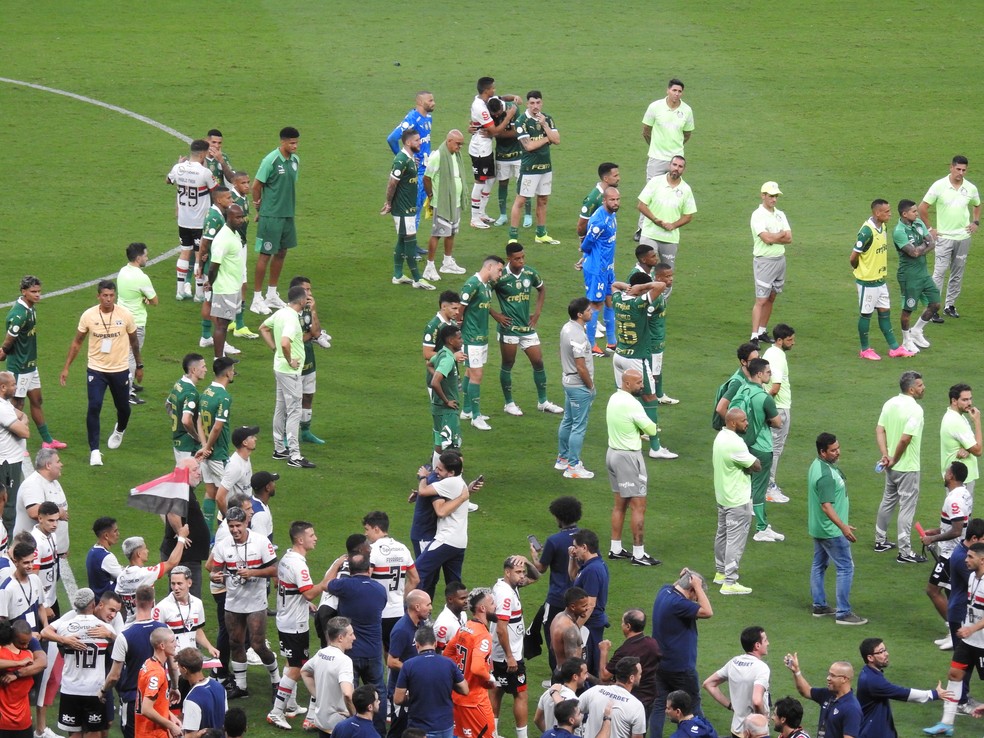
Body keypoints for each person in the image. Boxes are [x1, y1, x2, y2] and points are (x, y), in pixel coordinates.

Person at [60, 280, 141, 466]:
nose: (108, 299)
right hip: (96, 369)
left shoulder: (125, 315)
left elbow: (134, 341)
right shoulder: (88, 316)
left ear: (115, 296)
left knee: (124, 409)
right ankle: (94, 451)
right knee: (94, 406)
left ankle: (120, 429)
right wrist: (66, 367)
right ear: (98, 296)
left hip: (120, 369)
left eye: (112, 295)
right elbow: (77, 342)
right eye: (105, 295)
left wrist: (140, 365)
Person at [206, 505, 279, 699]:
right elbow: (214, 570)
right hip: (233, 601)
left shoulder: (261, 542)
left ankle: (277, 681)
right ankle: (241, 686)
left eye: (238, 525)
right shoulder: (223, 545)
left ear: (246, 522)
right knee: (235, 642)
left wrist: (253, 572)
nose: (235, 530)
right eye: (231, 526)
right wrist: (216, 577)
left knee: (257, 644)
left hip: (256, 601)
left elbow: (275, 570)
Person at [268, 521, 333, 729]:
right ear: (300, 539)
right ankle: (276, 711)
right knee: (297, 668)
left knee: (291, 662)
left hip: (286, 618)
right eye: (312, 535)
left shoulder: (286, 558)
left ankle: (292, 705)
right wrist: (325, 582)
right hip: (295, 624)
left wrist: (306, 603)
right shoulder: (298, 564)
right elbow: (309, 591)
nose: (316, 538)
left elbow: (287, 587)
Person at [611, 274, 675, 460]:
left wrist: (631, 286)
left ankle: (630, 433)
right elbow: (660, 285)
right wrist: (642, 287)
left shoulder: (619, 300)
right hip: (637, 359)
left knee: (626, 397)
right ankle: (655, 447)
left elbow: (615, 285)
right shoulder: (638, 304)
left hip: (619, 356)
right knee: (650, 400)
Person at [494, 243, 562, 417]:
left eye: (523, 257)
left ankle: (543, 401)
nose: (521, 261)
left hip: (527, 328)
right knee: (508, 364)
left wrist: (537, 312)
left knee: (538, 362)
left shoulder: (530, 273)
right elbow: (482, 294)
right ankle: (509, 403)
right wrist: (496, 315)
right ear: (509, 258)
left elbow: (541, 289)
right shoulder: (500, 277)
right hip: (508, 328)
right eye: (517, 258)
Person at [1, 275, 66, 451]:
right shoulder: (19, 314)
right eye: (33, 292)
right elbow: (9, 340)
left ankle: (47, 440)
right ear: (24, 292)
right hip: (20, 368)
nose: (38, 295)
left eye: (39, 291)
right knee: (17, 405)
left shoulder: (30, 308)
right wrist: (4, 352)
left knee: (37, 400)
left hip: (31, 365)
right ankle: (13, 443)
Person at [605, 369, 663, 567]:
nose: (642, 385)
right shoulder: (633, 404)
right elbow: (652, 429)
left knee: (619, 505)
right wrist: (648, 429)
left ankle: (615, 548)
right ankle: (639, 554)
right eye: (638, 382)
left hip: (612, 453)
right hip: (628, 457)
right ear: (627, 384)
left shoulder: (613, 398)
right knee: (638, 506)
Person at [326, 553, 388, 737]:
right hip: (374, 651)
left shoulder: (344, 585)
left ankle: (352, 728)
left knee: (350, 694)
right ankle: (379, 732)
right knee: (379, 693)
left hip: (350, 652)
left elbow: (326, 583)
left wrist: (337, 564)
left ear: (350, 571)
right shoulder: (379, 589)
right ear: (370, 569)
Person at [43, 588, 116, 738]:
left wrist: (64, 640)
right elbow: (124, 646)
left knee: (74, 733)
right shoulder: (105, 628)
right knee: (93, 732)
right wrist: (110, 635)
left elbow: (45, 632)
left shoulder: (65, 627)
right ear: (93, 604)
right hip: (95, 689)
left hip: (71, 688)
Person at [808, 432, 865, 625]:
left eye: (838, 448)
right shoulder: (825, 475)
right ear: (823, 452)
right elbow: (826, 505)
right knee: (846, 567)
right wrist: (842, 527)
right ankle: (843, 613)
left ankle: (820, 606)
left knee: (819, 565)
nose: (838, 452)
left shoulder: (818, 465)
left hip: (819, 527)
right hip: (831, 530)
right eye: (833, 450)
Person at [650, 568, 713, 738]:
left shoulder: (664, 591)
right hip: (680, 667)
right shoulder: (679, 604)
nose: (695, 598)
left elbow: (677, 586)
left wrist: (686, 577)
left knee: (659, 705)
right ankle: (704, 735)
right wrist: (698, 586)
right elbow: (708, 612)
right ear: (691, 589)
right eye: (695, 594)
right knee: (693, 704)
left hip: (660, 664)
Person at [102, 585, 170, 738]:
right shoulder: (164, 630)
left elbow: (114, 676)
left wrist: (103, 691)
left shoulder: (125, 636)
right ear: (153, 602)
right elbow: (173, 665)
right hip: (158, 699)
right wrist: (175, 687)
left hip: (134, 700)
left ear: (134, 601)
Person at [259, 284, 316, 468]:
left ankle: (279, 449)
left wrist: (274, 350)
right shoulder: (291, 318)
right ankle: (295, 455)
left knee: (281, 407)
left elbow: (263, 328)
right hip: (289, 371)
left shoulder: (282, 312)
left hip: (279, 367)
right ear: (301, 300)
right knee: (294, 411)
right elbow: (285, 342)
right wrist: (290, 359)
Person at [918, 155, 981, 320]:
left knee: (957, 272)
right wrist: (930, 228)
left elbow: (977, 204)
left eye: (964, 170)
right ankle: (933, 308)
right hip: (944, 238)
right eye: (958, 169)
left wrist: (976, 222)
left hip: (963, 237)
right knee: (939, 273)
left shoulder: (970, 188)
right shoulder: (939, 186)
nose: (961, 173)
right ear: (951, 167)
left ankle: (950, 305)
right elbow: (922, 207)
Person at [851, 199, 913, 360]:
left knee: (885, 313)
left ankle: (894, 348)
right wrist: (862, 269)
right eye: (886, 211)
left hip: (880, 280)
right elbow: (853, 257)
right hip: (868, 282)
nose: (890, 214)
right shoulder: (866, 232)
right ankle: (865, 350)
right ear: (877, 213)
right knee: (866, 314)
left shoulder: (883, 226)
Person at [874, 370, 926, 563]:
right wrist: (894, 457)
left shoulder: (890, 403)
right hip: (907, 466)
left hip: (890, 466)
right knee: (907, 508)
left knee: (888, 500)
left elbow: (880, 430)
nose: (923, 388)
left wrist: (885, 455)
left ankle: (880, 540)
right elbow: (905, 439)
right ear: (912, 389)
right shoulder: (915, 410)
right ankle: (905, 552)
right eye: (920, 385)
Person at [730, 358, 783, 543]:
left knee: (745, 486)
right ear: (759, 374)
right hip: (761, 447)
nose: (770, 374)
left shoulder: (741, 389)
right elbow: (778, 422)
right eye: (768, 372)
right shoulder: (764, 397)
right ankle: (761, 529)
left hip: (741, 445)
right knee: (759, 489)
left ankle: (738, 521)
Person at [250, 126, 301, 315]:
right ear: (282, 142)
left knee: (281, 252)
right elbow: (256, 186)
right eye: (291, 143)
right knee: (265, 254)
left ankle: (271, 294)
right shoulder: (270, 160)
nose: (295, 146)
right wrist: (259, 208)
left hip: (287, 214)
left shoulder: (295, 161)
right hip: (271, 216)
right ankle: (256, 297)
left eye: (297, 142)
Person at [922, 462, 973, 642]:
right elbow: (960, 524)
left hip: (951, 553)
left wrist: (932, 539)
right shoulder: (965, 493)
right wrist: (937, 530)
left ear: (951, 475)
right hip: (958, 550)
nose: (945, 475)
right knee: (953, 592)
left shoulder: (953, 499)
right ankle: (956, 630)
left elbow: (958, 530)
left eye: (947, 472)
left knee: (933, 590)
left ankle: (955, 631)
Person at [856, 638, 949, 738]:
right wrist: (934, 694)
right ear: (870, 658)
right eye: (881, 652)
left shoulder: (868, 672)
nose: (886, 654)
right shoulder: (873, 681)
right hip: (873, 731)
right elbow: (903, 693)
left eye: (885, 650)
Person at [412, 451, 475, 597]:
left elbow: (426, 494)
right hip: (460, 543)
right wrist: (464, 496)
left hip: (446, 539)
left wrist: (423, 477)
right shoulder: (459, 482)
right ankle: (459, 617)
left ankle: (416, 614)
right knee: (454, 585)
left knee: (417, 573)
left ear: (451, 472)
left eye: (440, 469)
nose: (436, 471)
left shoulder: (449, 482)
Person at [530, 495, 582, 671]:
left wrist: (534, 554)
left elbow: (541, 569)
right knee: (576, 640)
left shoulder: (554, 540)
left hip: (557, 599)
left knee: (555, 639)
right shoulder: (585, 538)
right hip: (579, 600)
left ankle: (557, 676)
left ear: (559, 517)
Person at [712, 408, 760, 595]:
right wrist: (748, 467)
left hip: (723, 496)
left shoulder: (720, 438)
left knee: (722, 534)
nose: (746, 423)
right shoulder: (735, 442)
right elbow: (755, 465)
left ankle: (720, 573)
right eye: (743, 420)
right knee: (735, 540)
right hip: (737, 499)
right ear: (732, 423)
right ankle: (730, 582)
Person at [490, 557, 539, 738]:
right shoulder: (505, 595)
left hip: (499, 653)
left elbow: (536, 577)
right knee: (520, 694)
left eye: (522, 572)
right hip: (508, 655)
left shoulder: (509, 586)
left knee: (497, 689)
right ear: (507, 572)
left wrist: (527, 562)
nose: (522, 576)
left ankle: (493, 733)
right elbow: (502, 629)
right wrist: (510, 656)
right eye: (518, 572)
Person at [640, 79, 694, 239]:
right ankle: (642, 228)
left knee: (673, 190)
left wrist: (675, 148)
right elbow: (646, 130)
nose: (677, 94)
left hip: (676, 158)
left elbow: (687, 133)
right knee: (650, 191)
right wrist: (655, 146)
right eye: (674, 90)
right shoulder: (655, 107)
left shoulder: (687, 110)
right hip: (656, 157)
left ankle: (670, 223)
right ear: (667, 90)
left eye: (679, 91)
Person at [394, 624, 468, 738]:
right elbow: (465, 689)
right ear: (435, 643)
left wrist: (413, 696)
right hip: (445, 726)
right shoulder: (449, 664)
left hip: (419, 729)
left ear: (417, 645)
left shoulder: (408, 665)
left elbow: (398, 699)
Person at [166, 139, 218, 301]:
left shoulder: (178, 168)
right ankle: (199, 293)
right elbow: (216, 191)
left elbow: (168, 180)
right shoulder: (204, 173)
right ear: (203, 154)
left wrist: (179, 165)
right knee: (199, 255)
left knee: (184, 252)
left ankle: (180, 291)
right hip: (199, 221)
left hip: (183, 220)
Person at [382, 129, 434, 290]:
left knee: (402, 240)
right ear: (408, 142)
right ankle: (417, 278)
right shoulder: (401, 160)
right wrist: (388, 203)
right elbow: (392, 183)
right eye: (417, 140)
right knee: (410, 242)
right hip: (403, 209)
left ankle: (398, 275)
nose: (421, 142)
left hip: (408, 208)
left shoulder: (411, 158)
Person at [458, 255, 506, 430]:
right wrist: (459, 331)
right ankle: (476, 417)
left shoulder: (485, 286)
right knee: (477, 374)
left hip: (481, 337)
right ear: (490, 266)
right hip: (471, 338)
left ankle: (467, 410)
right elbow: (459, 309)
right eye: (499, 270)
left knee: (471, 373)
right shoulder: (473, 284)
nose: (500, 274)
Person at [508, 90, 561, 245]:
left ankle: (541, 234)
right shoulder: (521, 121)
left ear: (542, 103)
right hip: (529, 169)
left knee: (543, 200)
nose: (535, 106)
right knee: (521, 201)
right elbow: (529, 146)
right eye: (532, 103)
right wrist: (546, 138)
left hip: (545, 167)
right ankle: (513, 237)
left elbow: (557, 140)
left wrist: (544, 124)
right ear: (527, 104)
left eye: (538, 103)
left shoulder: (548, 119)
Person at [443, 588, 497, 738]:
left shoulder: (465, 627)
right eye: (492, 603)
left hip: (458, 697)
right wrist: (491, 679)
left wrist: (459, 676)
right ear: (482, 608)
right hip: (475, 701)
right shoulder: (483, 635)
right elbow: (478, 668)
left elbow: (447, 654)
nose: (496, 606)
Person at [467, 77, 519, 229]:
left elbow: (501, 97)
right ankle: (474, 217)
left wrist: (515, 97)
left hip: (486, 147)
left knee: (490, 178)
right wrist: (509, 116)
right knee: (480, 181)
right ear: (486, 90)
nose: (494, 90)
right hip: (480, 149)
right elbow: (495, 131)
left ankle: (482, 213)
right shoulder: (480, 107)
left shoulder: (487, 100)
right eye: (493, 88)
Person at [636, 156, 696, 285]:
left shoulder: (686, 189)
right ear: (669, 166)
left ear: (684, 170)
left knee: (667, 276)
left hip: (670, 239)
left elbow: (688, 215)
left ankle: (661, 304)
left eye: (680, 166)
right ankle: (643, 301)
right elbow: (641, 205)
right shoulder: (655, 182)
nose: (676, 168)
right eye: (674, 165)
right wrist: (656, 220)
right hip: (650, 234)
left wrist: (673, 225)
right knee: (645, 270)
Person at [363, 510, 419, 649]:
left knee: (374, 652)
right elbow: (415, 579)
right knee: (394, 654)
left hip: (378, 613)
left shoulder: (372, 550)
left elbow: (364, 579)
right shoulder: (402, 548)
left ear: (376, 529)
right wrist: (402, 599)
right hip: (398, 612)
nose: (365, 534)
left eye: (367, 529)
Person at [703, 626, 771, 737]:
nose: (768, 643)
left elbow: (708, 684)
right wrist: (763, 718)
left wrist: (730, 706)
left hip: (736, 729)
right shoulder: (762, 668)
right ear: (757, 645)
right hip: (755, 732)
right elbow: (757, 701)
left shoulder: (734, 662)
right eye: (765, 640)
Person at [555, 298, 597, 478]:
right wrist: (590, 386)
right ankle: (573, 467)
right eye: (589, 310)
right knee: (578, 426)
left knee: (568, 420)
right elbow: (581, 365)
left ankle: (562, 459)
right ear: (580, 315)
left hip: (568, 380)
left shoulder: (567, 327)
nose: (592, 312)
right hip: (578, 385)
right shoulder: (578, 334)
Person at [196, 357, 237, 534]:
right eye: (233, 369)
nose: (234, 372)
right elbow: (218, 427)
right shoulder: (224, 397)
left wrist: (204, 445)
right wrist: (209, 447)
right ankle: (231, 530)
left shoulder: (206, 391)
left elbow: (198, 419)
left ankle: (207, 534)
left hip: (207, 453)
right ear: (227, 373)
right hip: (217, 453)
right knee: (227, 495)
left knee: (210, 492)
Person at [749, 182, 792, 346]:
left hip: (780, 260)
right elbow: (765, 239)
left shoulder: (780, 214)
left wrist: (776, 236)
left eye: (776, 196)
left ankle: (761, 331)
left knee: (772, 297)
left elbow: (789, 238)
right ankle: (754, 336)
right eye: (771, 196)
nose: (774, 199)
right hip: (764, 261)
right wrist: (779, 235)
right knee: (761, 299)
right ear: (763, 195)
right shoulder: (757, 215)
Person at [422, 130, 468, 282]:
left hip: (454, 202)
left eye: (461, 144)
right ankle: (429, 267)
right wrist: (431, 196)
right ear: (449, 141)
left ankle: (447, 262)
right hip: (442, 203)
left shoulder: (456, 155)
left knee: (452, 232)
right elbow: (427, 178)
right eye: (457, 143)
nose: (459, 147)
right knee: (437, 233)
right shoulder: (438, 156)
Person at [892, 199, 940, 348]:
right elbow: (912, 253)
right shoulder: (899, 232)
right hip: (909, 277)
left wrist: (920, 249)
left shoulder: (918, 224)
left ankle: (917, 330)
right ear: (905, 214)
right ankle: (906, 341)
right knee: (907, 310)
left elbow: (931, 243)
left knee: (935, 304)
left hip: (923, 274)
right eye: (914, 211)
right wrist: (923, 246)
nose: (917, 213)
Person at [387, 590, 433, 737]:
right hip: (401, 690)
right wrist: (414, 669)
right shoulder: (401, 630)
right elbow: (391, 661)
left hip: (414, 687)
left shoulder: (421, 624)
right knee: (399, 731)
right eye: (428, 604)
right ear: (417, 607)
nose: (431, 608)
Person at [599, 611, 661, 720]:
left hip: (629, 700)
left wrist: (604, 651)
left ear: (628, 626)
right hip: (649, 698)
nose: (621, 625)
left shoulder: (625, 651)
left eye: (622, 623)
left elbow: (604, 676)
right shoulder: (653, 644)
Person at [300, 616, 357, 735]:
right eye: (351, 634)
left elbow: (304, 672)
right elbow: (347, 694)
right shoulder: (344, 661)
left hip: (322, 722)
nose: (354, 638)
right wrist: (355, 716)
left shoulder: (321, 653)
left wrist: (318, 696)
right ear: (340, 638)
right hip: (339, 725)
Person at [116, 242, 158, 404]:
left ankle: (130, 383)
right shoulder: (141, 277)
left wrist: (141, 297)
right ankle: (127, 393)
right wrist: (146, 298)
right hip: (136, 322)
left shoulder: (122, 271)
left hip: (121, 319)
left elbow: (131, 295)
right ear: (139, 257)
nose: (147, 258)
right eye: (146, 255)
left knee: (126, 354)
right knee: (132, 357)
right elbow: (155, 301)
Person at [580, 187, 619, 357]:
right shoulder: (599, 222)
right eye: (612, 200)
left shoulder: (612, 215)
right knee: (596, 304)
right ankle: (591, 345)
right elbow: (587, 243)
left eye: (618, 200)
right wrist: (586, 257)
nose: (615, 203)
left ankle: (612, 342)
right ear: (604, 200)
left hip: (607, 266)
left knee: (610, 300)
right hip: (597, 269)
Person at [288, 275, 327, 445]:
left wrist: (313, 311)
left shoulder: (307, 310)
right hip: (292, 362)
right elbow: (292, 340)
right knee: (291, 400)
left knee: (308, 396)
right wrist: (309, 335)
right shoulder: (287, 313)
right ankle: (287, 435)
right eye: (307, 289)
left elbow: (317, 333)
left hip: (309, 359)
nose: (310, 293)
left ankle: (305, 432)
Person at [387, 91, 435, 225]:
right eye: (430, 101)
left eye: (433, 100)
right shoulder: (412, 119)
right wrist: (407, 160)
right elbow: (392, 139)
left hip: (426, 169)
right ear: (420, 102)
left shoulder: (428, 118)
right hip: (417, 172)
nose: (433, 103)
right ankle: (409, 243)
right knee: (414, 209)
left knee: (422, 206)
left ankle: (411, 243)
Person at [152, 565, 218, 664]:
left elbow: (197, 630)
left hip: (192, 659)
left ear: (189, 583)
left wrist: (209, 647)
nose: (176, 588)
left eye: (179, 584)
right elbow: (155, 638)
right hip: (172, 661)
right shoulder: (161, 607)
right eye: (173, 584)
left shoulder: (197, 603)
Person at [115, 533, 188, 622]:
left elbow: (119, 604)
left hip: (128, 625)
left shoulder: (121, 577)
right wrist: (182, 538)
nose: (147, 551)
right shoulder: (145, 574)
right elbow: (172, 562)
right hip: (146, 624)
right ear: (139, 554)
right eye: (145, 548)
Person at [785, 655, 862, 738]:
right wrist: (796, 671)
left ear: (844, 679)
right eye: (829, 674)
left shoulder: (852, 708)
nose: (828, 678)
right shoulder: (828, 694)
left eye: (833, 675)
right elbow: (806, 691)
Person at [206, 204, 247, 359]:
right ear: (228, 217)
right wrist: (210, 284)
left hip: (233, 286)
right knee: (221, 325)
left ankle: (221, 356)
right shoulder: (222, 239)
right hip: (224, 288)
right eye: (237, 217)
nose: (241, 220)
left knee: (225, 324)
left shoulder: (233, 233)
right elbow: (213, 267)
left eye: (242, 216)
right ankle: (219, 360)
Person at [568, 529, 610, 678]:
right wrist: (572, 558)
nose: (574, 549)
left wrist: (575, 627)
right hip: (589, 625)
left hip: (589, 626)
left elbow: (590, 605)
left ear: (585, 547)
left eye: (576, 546)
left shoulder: (593, 570)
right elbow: (574, 577)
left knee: (586, 668)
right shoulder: (591, 565)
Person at [762, 324, 795, 502]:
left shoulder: (768, 352)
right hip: (779, 408)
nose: (793, 343)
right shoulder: (779, 357)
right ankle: (769, 487)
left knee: (769, 447)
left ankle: (766, 484)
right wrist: (763, 403)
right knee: (775, 449)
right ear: (780, 340)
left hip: (774, 407)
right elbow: (775, 387)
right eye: (790, 340)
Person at [578, 657, 646, 738]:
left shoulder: (595, 690)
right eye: (640, 674)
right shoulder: (636, 706)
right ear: (631, 678)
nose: (640, 677)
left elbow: (572, 712)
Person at [491, 96, 530, 227]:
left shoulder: (513, 108)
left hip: (518, 154)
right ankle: (502, 215)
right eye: (494, 115)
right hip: (501, 154)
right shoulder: (490, 107)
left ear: (502, 107)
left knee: (524, 184)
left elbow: (515, 132)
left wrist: (496, 133)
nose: (496, 116)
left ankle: (528, 215)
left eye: (497, 113)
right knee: (502, 183)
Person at [0, 619, 43, 738]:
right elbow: (42, 663)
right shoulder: (28, 656)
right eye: (23, 643)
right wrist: (18, 664)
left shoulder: (2, 654)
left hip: (3, 722)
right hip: (23, 722)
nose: (26, 646)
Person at [135, 627, 180, 738]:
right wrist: (171, 726)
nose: (176, 644)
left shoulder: (149, 663)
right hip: (152, 733)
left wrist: (169, 715)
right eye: (172, 641)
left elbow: (154, 702)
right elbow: (146, 709)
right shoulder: (156, 673)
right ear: (162, 646)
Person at [0, 371, 29, 540]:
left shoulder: (5, 404)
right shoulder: (2, 409)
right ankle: (6, 547)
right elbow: (25, 431)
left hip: (9, 461)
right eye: (12, 385)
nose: (16, 387)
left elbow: (22, 416)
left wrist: (21, 420)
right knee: (8, 507)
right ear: (3, 387)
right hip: (7, 463)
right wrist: (22, 423)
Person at [429, 324, 464, 461]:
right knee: (452, 448)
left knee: (439, 444)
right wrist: (447, 401)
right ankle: (453, 478)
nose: (461, 340)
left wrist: (441, 376)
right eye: (459, 338)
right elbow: (434, 382)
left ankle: (434, 474)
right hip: (447, 411)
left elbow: (429, 364)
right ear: (450, 341)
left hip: (437, 409)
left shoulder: (441, 354)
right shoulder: (448, 360)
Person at [940, 383, 981, 496]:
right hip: (959, 479)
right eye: (965, 400)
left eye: (970, 399)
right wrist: (977, 421)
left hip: (959, 477)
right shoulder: (956, 422)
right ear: (954, 401)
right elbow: (978, 450)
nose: (970, 403)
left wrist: (967, 449)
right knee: (960, 512)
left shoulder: (957, 416)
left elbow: (972, 442)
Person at [165, 354, 207, 465]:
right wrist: (197, 437)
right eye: (203, 367)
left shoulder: (179, 383)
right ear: (193, 370)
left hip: (177, 442)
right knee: (191, 478)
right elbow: (186, 420)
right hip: (188, 446)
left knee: (182, 478)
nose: (206, 370)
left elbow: (167, 404)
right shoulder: (192, 393)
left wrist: (177, 420)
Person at [176, 647, 227, 738]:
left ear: (184, 669)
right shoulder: (219, 687)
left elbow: (190, 736)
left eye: (179, 667)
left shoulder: (192, 699)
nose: (178, 670)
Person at [0, 538, 46, 629]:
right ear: (16, 562)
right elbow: (2, 621)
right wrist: (25, 635)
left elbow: (40, 606)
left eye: (32, 561)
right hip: (17, 641)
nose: (30, 566)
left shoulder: (35, 579)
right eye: (26, 563)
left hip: (36, 636)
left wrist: (46, 627)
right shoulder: (7, 588)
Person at [713, 343, 760, 428]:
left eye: (759, 358)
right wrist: (736, 426)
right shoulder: (738, 383)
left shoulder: (751, 375)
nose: (759, 362)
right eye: (754, 360)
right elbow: (720, 408)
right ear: (743, 362)